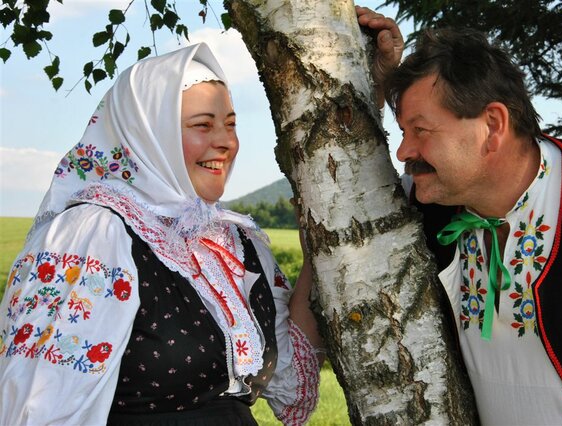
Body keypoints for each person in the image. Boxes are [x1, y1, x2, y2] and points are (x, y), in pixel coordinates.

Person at [0, 41, 324, 425]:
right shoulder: (96, 234)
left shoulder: (233, 243)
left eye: (231, 123)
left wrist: (316, 253)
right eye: (202, 124)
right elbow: (41, 405)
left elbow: (290, 387)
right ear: (150, 135)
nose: (226, 141)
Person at [384, 27, 562, 425]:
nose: (404, 150)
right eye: (402, 132)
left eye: (421, 130)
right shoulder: (429, 203)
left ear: (493, 125)